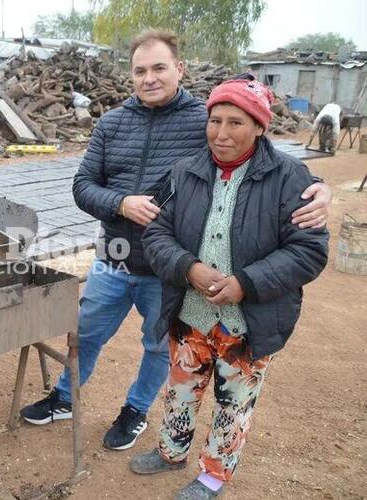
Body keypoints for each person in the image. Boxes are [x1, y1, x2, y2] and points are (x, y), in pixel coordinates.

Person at [19, 30, 332, 451]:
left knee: (156, 344)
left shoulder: (202, 120)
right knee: (85, 333)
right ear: (131, 75)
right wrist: (120, 203)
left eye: (159, 68)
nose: (149, 78)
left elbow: (258, 157)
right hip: (113, 259)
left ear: (179, 69)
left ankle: (135, 410)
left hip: (170, 268)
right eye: (140, 71)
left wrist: (318, 185)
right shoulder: (112, 123)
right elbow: (82, 186)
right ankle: (64, 396)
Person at [131, 77, 329, 499]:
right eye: (215, 120)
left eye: (235, 122)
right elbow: (156, 234)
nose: (221, 133)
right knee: (181, 391)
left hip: (248, 323)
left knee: (233, 403)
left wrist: (246, 283)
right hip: (190, 314)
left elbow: (308, 251)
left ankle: (213, 476)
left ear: (259, 126)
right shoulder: (185, 172)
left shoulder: (291, 179)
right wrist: (189, 267)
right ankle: (171, 451)